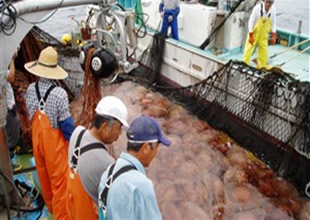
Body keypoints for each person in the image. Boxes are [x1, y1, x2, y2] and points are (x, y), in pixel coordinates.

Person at [25, 46, 74, 220]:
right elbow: (66, 126)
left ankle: (51, 209)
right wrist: (76, 143)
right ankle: (61, 216)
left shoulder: (31, 89)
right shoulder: (60, 94)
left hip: (37, 141)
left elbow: (31, 115)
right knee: (60, 182)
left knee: (43, 176)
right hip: (54, 146)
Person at [66, 96, 129, 220]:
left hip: (71, 206)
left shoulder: (77, 133)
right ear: (105, 126)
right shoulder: (106, 163)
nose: (120, 133)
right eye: (119, 127)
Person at [98, 115, 171, 220]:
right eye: (156, 148)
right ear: (146, 148)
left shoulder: (110, 171)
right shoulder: (142, 186)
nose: (155, 153)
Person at [243, 0, 276, 69]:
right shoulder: (257, 8)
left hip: (263, 35)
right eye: (267, 2)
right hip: (254, 33)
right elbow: (251, 22)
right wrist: (251, 35)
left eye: (270, 3)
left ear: (272, 3)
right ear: (264, 1)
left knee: (264, 51)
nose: (268, 4)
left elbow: (274, 23)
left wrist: (273, 36)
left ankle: (262, 67)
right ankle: (244, 65)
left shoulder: (273, 11)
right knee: (248, 49)